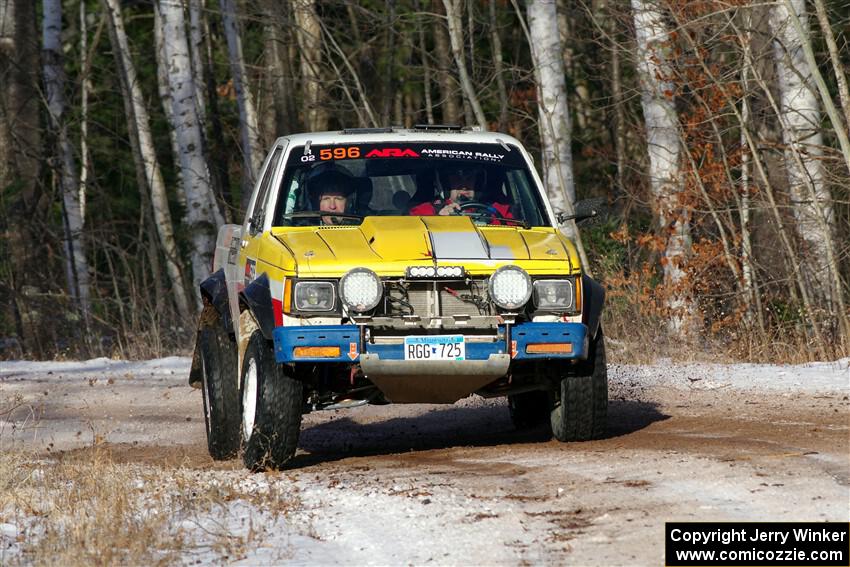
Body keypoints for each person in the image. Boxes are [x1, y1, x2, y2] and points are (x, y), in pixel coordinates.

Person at [408, 164, 512, 222]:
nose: (463, 184)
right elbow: (413, 236)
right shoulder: (424, 211)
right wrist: (438, 221)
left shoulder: (499, 211)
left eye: (470, 178)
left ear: (479, 182)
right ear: (445, 183)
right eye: (456, 178)